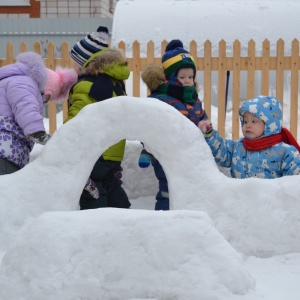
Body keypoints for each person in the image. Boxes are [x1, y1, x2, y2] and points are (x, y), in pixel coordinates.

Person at [138, 39, 208, 210]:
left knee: (188, 189)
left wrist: (207, 129)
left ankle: (186, 217)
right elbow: (147, 125)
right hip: (166, 154)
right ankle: (164, 220)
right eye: (182, 77)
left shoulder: (194, 100)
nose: (187, 81)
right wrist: (148, 149)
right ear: (169, 78)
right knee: (169, 188)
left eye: (190, 77)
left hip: (190, 154)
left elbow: (202, 118)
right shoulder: (160, 98)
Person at [65, 47, 131, 210]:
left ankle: (104, 230)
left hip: (100, 156)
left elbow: (76, 117)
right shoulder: (115, 86)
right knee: (107, 196)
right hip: (106, 156)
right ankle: (116, 228)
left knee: (102, 199)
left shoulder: (92, 85)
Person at [0, 51, 77, 175]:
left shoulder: (11, 80)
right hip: (4, 150)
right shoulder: (23, 82)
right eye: (47, 97)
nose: (44, 101)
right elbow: (25, 104)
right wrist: (37, 132)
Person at [198, 95, 300, 178]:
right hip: (241, 199)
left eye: (254, 121)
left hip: (269, 201)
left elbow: (294, 181)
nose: (248, 125)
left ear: (269, 125)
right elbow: (221, 152)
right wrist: (210, 134)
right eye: (245, 121)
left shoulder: (285, 152)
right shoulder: (237, 147)